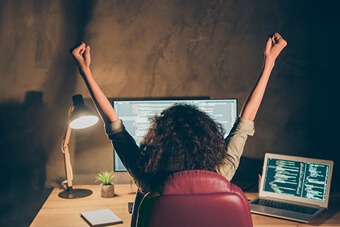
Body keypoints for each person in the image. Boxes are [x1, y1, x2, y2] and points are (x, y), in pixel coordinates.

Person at [70, 32, 287, 226]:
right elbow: (246, 120)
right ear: (209, 139)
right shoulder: (222, 172)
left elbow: (114, 127)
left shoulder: (148, 178)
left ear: (158, 141)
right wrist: (269, 63)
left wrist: (85, 71)